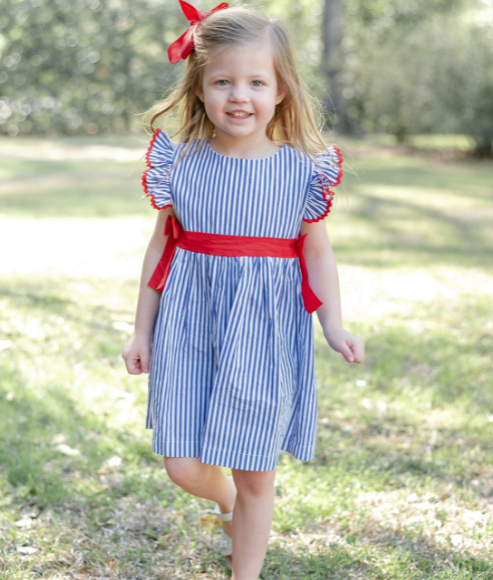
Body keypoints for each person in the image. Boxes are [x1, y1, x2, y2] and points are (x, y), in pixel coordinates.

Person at [122, 2, 364, 578]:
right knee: (182, 464)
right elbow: (161, 250)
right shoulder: (182, 164)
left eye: (257, 81)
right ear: (200, 88)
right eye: (223, 81)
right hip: (188, 326)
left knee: (256, 469)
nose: (239, 95)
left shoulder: (300, 170)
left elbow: (317, 251)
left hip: (266, 330)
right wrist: (140, 329)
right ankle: (225, 503)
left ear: (280, 90)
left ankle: (245, 569)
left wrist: (333, 324)